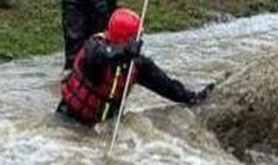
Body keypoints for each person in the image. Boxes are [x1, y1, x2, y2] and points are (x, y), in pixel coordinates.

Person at [56, 8, 214, 127]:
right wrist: (124, 51)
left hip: (103, 126)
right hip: (68, 121)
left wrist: (192, 97)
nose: (140, 41)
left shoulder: (137, 65)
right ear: (127, 39)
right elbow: (101, 56)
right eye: (137, 37)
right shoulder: (93, 49)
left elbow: (167, 87)